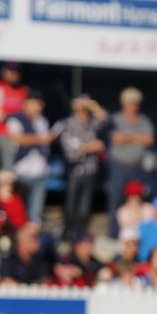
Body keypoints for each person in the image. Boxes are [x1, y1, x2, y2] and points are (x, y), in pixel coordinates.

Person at [52, 94, 107, 239]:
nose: (84, 112)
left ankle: (80, 234)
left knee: (85, 206)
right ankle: (67, 233)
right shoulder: (67, 124)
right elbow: (70, 153)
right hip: (74, 170)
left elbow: (105, 117)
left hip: (90, 170)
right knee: (71, 204)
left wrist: (92, 104)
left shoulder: (92, 123)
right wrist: (91, 147)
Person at [107, 87, 154, 237]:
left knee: (137, 202)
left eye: (136, 103)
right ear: (123, 103)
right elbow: (116, 139)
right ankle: (114, 234)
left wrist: (128, 137)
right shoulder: (116, 119)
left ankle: (138, 234)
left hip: (137, 166)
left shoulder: (144, 120)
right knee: (116, 200)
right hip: (119, 166)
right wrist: (137, 137)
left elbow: (149, 139)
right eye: (130, 103)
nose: (133, 105)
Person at [5, 90, 52, 223]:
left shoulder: (42, 121)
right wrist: (42, 138)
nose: (36, 107)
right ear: (25, 104)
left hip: (41, 171)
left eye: (38, 104)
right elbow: (17, 138)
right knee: (21, 209)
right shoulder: (15, 119)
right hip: (23, 170)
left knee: (35, 211)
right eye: (33, 104)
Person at [0, 62, 28, 169]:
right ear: (3, 72)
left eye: (16, 72)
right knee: (7, 166)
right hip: (3, 134)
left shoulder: (24, 90)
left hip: (22, 135)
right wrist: (14, 116)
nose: (14, 74)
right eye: (10, 71)